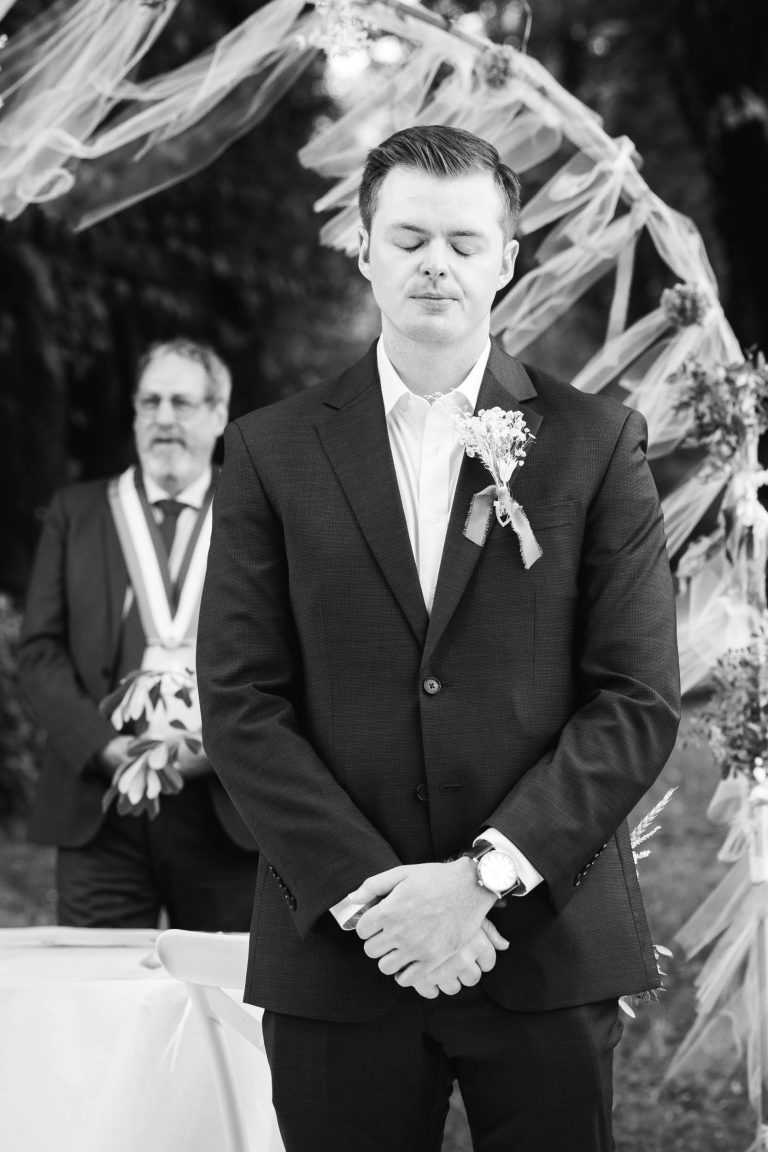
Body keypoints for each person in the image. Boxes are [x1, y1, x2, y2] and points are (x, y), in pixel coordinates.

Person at [197, 126, 680, 1151]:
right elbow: (242, 702)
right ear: (364, 247)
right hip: (339, 950)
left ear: (507, 258)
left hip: (546, 937)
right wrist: (375, 904)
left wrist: (482, 881)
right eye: (408, 236)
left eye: (464, 242)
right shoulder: (268, 452)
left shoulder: (597, 444)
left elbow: (635, 701)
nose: (435, 263)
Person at [19, 339, 258, 931]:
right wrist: (106, 746)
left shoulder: (257, 511)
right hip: (100, 807)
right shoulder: (78, 513)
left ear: (218, 412)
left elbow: (297, 651)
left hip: (226, 808)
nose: (164, 419)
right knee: (100, 1000)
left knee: (226, 1004)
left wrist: (217, 747)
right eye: (150, 402)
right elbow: (39, 653)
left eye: (181, 402)